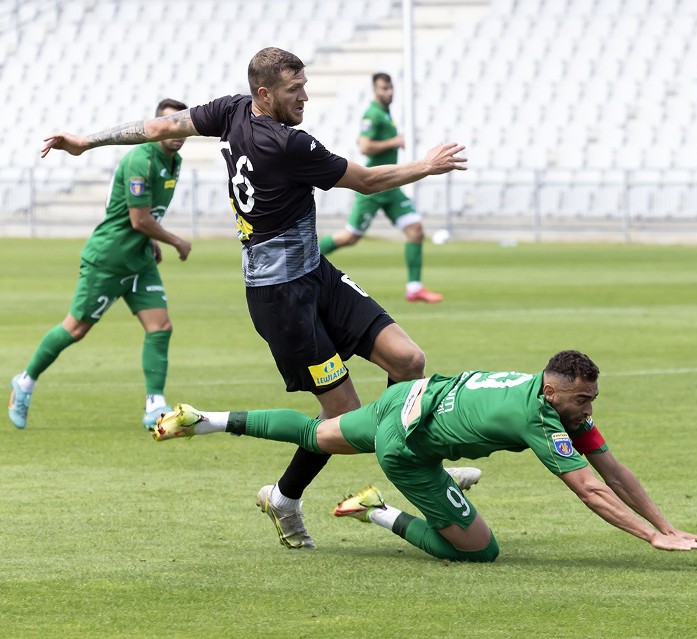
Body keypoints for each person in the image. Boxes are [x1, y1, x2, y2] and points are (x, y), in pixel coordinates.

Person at [40, 48, 466, 549]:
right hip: (280, 299)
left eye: (304, 84)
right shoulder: (288, 144)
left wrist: (87, 141)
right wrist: (428, 166)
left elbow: (159, 128)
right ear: (266, 93)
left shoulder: (233, 109)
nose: (305, 95)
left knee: (409, 359)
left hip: (315, 274)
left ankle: (414, 464)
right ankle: (286, 496)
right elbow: (369, 181)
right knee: (343, 417)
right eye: (294, 89)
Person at [151, 350, 697, 562]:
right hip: (407, 448)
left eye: (591, 399)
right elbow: (592, 490)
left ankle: (206, 420)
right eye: (581, 399)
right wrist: (651, 539)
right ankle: (375, 507)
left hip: (408, 397)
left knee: (314, 434)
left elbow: (613, 470)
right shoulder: (540, 417)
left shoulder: (554, 402)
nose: (587, 409)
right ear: (552, 391)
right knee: (480, 552)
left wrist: (669, 525)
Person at [9, 99, 191, 431]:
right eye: (169, 125)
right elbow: (138, 219)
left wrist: (150, 241)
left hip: (139, 260)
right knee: (75, 329)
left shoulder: (174, 161)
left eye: (182, 126)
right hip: (109, 259)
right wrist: (175, 240)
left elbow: (138, 214)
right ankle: (25, 381)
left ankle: (154, 405)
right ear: (156, 127)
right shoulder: (141, 158)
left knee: (160, 327)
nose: (176, 132)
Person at [318, 73, 443, 304]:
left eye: (390, 88)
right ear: (375, 90)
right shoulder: (373, 114)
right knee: (350, 237)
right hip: (373, 186)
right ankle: (306, 257)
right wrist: (394, 142)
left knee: (415, 230)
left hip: (391, 187)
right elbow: (365, 147)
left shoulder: (385, 114)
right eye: (384, 88)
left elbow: (363, 140)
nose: (389, 92)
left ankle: (414, 289)